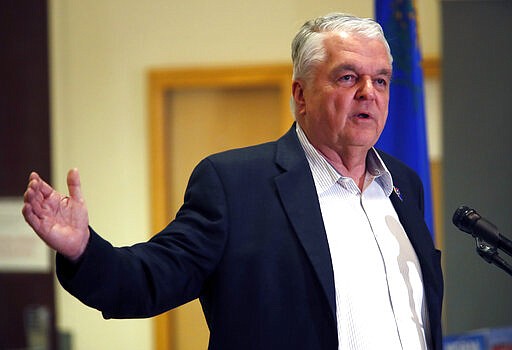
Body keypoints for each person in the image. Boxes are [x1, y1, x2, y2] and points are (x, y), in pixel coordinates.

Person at [23, 13, 443, 350]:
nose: (370, 92)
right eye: (348, 77)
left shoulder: (404, 184)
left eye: (382, 80)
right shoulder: (235, 185)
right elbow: (148, 280)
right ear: (300, 95)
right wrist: (83, 250)